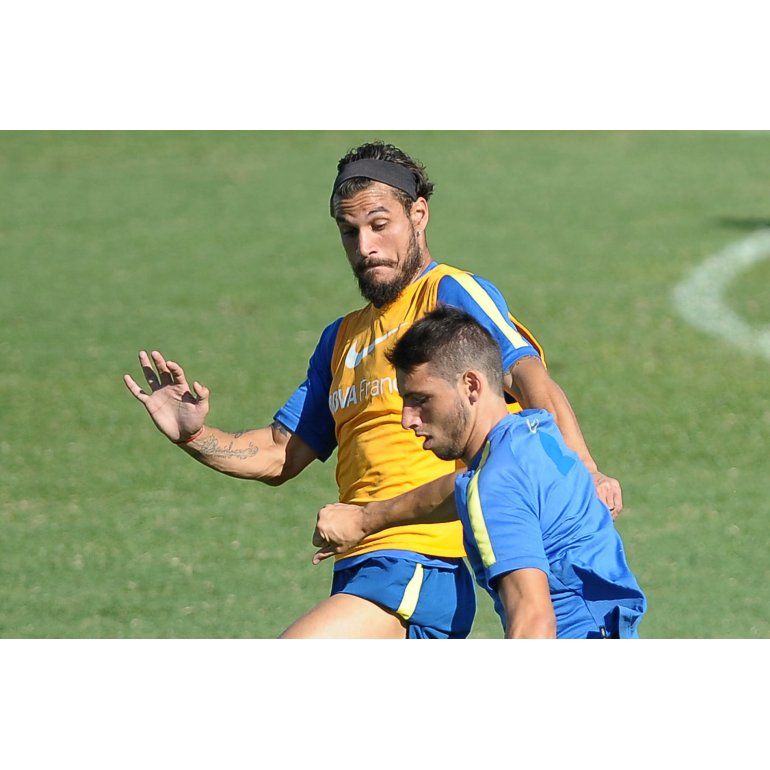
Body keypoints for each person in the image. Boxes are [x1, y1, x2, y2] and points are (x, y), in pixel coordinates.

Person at [124, 141, 622, 639]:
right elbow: (279, 454)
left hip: (419, 560)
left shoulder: (448, 292)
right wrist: (194, 436)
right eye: (350, 231)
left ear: (418, 215)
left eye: (379, 225)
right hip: (357, 564)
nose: (365, 247)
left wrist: (585, 468)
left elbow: (528, 376)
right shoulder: (339, 339)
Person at [317, 305, 645, 638]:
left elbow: (534, 623)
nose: (407, 419)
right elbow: (457, 489)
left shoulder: (495, 488)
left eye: (421, 399)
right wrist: (366, 519)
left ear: (471, 385)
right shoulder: (535, 432)